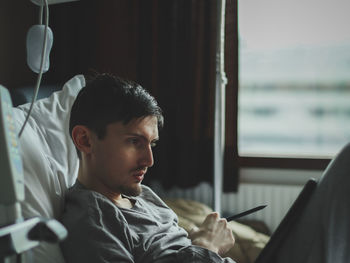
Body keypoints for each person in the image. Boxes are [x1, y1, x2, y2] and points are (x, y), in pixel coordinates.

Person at [60, 73, 236, 263]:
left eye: (151, 144)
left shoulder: (144, 195)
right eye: (134, 141)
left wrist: (194, 245)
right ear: (85, 140)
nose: (149, 160)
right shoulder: (94, 221)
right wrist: (206, 246)